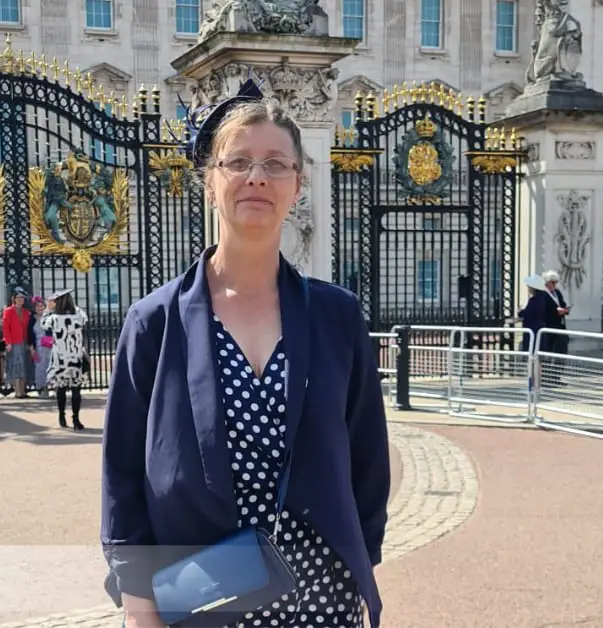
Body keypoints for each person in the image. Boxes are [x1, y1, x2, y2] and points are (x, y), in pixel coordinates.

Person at [100, 79, 390, 628]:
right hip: (206, 598)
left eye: (276, 163)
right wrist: (140, 608)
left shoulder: (336, 317)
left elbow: (367, 466)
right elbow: (123, 480)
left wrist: (361, 570)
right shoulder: (154, 323)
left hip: (322, 602)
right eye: (238, 162)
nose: (257, 176)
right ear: (210, 182)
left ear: (298, 185)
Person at [41, 288, 87, 430]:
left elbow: (43, 324)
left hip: (60, 358)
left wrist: (47, 310)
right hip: (76, 356)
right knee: (76, 390)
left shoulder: (54, 318)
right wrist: (72, 306)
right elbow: (84, 319)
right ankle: (76, 419)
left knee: (60, 389)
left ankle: (62, 415)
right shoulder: (78, 315)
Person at [0, 288, 34, 398]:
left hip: (23, 341)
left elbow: (28, 328)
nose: (20, 300)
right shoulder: (8, 311)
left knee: (24, 365)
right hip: (13, 342)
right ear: (14, 299)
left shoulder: (26, 312)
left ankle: (23, 390)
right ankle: (17, 391)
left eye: (22, 298)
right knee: (16, 365)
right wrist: (8, 342)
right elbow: (5, 328)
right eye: (18, 298)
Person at [30, 296, 53, 397]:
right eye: (37, 306)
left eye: (41, 306)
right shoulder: (32, 318)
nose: (40, 308)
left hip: (49, 345)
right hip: (38, 346)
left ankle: (50, 386)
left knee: (50, 366)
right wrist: (31, 348)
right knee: (39, 367)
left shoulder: (49, 317)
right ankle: (41, 388)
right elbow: (29, 334)